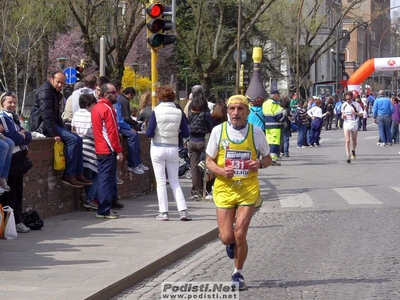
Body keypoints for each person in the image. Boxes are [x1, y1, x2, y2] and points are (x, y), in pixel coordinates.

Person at [205, 95, 272, 290]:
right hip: (224, 188)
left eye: (240, 109)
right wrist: (220, 170)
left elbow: (268, 159)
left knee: (240, 233)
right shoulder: (218, 131)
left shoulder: (256, 132)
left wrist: (258, 163)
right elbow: (209, 161)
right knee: (227, 236)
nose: (236, 113)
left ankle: (238, 274)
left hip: (247, 189)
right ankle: (230, 243)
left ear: (247, 112)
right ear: (227, 111)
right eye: (232, 109)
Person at [29, 71, 92, 188]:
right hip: (43, 126)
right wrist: (54, 134)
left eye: (62, 83)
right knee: (73, 140)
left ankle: (78, 173)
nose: (60, 85)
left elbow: (57, 116)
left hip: (52, 124)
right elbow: (46, 116)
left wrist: (64, 130)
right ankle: (69, 175)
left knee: (78, 139)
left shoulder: (54, 92)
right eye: (58, 82)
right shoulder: (45, 92)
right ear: (51, 79)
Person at [145, 85, 192, 221]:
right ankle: (183, 211)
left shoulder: (156, 111)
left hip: (158, 148)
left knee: (160, 182)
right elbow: (186, 132)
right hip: (172, 148)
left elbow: (149, 133)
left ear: (159, 97)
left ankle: (163, 212)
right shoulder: (178, 112)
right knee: (175, 181)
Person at [91, 83, 124, 219]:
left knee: (102, 178)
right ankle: (104, 209)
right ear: (106, 94)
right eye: (113, 92)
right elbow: (112, 132)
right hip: (107, 149)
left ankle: (103, 207)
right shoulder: (108, 109)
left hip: (99, 148)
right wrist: (118, 150)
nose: (116, 94)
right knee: (106, 180)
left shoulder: (96, 108)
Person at [0, 92, 31, 233]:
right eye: (9, 102)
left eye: (14, 102)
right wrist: (23, 135)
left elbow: (27, 135)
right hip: (12, 158)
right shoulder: (4, 117)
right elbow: (14, 137)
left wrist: (25, 135)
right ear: (2, 103)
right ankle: (14, 221)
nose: (12, 105)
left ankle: (16, 220)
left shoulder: (13, 117)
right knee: (12, 191)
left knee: (18, 190)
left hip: (19, 155)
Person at [71, 93, 99, 210]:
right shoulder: (91, 116)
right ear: (89, 105)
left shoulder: (75, 115)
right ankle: (89, 199)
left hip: (79, 147)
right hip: (90, 147)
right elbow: (95, 133)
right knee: (96, 175)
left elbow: (73, 130)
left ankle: (88, 199)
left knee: (87, 176)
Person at [113, 82, 148, 175]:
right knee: (133, 135)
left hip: (120, 125)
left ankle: (138, 163)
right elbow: (124, 118)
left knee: (135, 135)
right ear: (130, 94)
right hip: (120, 126)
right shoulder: (123, 100)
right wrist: (131, 126)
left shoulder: (119, 99)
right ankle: (133, 164)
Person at [187, 94, 213, 200]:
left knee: (194, 168)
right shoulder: (206, 114)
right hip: (203, 142)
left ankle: (196, 191)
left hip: (192, 142)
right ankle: (206, 189)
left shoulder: (190, 113)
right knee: (206, 165)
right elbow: (211, 128)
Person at [262, 90, 286, 165]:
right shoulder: (274, 103)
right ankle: (273, 160)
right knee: (275, 142)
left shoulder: (265, 103)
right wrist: (284, 120)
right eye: (278, 95)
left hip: (267, 125)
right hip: (275, 125)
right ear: (274, 95)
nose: (279, 97)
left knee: (269, 142)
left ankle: (268, 158)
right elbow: (278, 115)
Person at [341, 92, 363, 163]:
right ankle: (348, 156)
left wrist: (355, 113)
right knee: (347, 140)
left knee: (354, 141)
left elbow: (361, 114)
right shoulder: (344, 105)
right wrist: (343, 116)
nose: (347, 100)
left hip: (354, 123)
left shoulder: (356, 105)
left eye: (349, 99)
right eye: (346, 99)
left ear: (352, 98)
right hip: (346, 123)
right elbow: (342, 114)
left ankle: (353, 150)